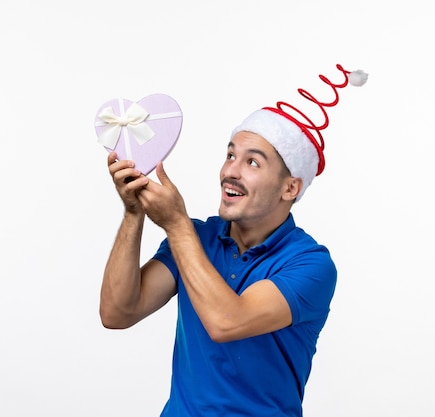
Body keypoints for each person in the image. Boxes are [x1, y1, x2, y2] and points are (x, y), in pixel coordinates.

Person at [99, 65, 367, 416]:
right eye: (230, 155)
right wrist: (133, 213)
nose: (230, 171)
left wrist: (177, 225)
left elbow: (228, 322)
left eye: (253, 162)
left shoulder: (310, 264)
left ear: (290, 188)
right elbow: (117, 313)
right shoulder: (198, 238)